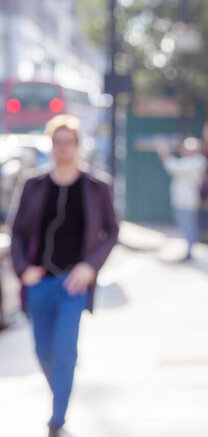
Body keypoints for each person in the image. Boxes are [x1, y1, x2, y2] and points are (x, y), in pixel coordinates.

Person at [10, 115, 119, 437]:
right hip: (39, 283)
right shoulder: (33, 184)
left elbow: (111, 231)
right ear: (51, 146)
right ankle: (59, 392)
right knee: (43, 351)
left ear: (78, 145)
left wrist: (90, 266)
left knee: (65, 348)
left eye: (68, 142)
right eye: (57, 142)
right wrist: (22, 270)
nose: (62, 148)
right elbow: (16, 232)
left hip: (73, 283)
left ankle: (57, 417)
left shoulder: (97, 187)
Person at [158, 137, 207, 260]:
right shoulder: (191, 161)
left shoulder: (196, 162)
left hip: (188, 200)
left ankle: (190, 250)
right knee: (186, 225)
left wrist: (165, 153)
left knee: (189, 225)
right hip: (182, 200)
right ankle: (189, 248)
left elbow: (174, 166)